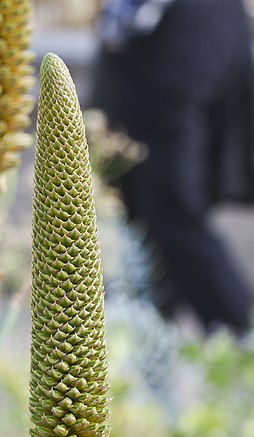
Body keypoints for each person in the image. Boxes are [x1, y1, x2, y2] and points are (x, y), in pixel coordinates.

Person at [92, 0, 254, 333]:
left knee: (169, 208)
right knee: (142, 207)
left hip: (176, 40)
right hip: (196, 33)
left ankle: (242, 337)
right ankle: (147, 341)